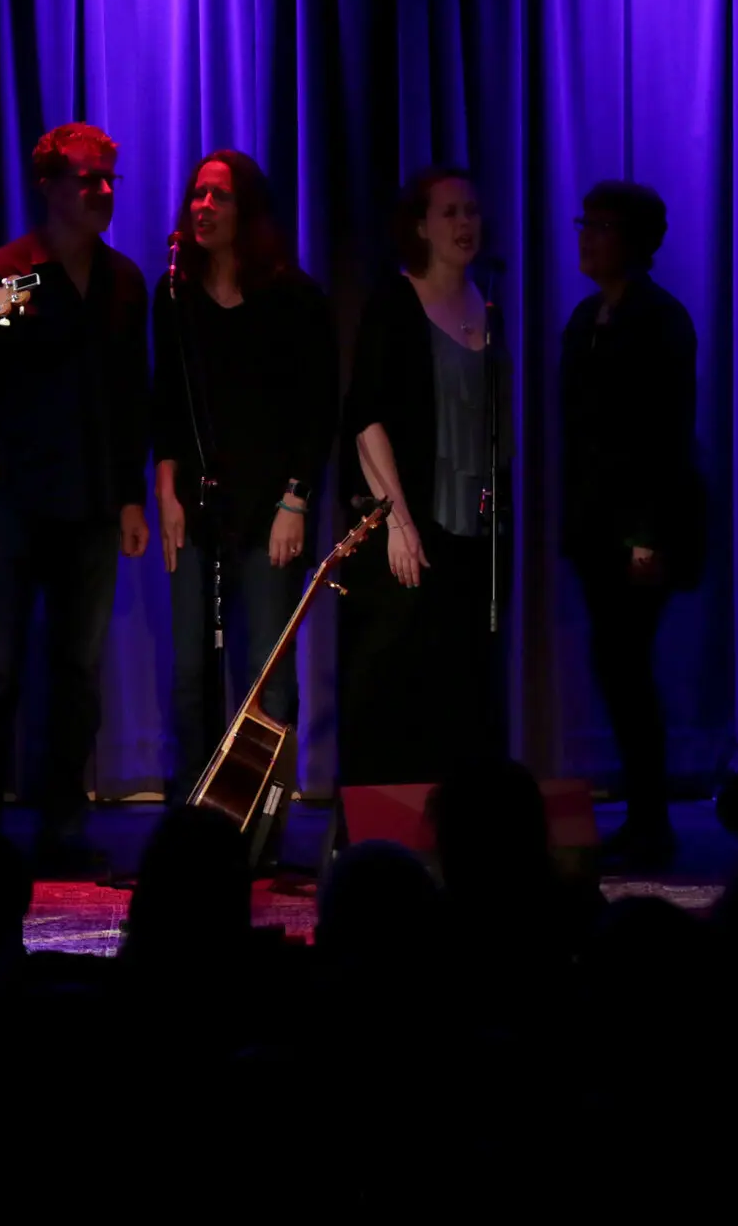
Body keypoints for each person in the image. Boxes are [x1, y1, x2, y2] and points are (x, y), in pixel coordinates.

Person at [0, 122, 151, 875]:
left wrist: (130, 497)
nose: (100, 191)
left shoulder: (125, 281)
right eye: (85, 178)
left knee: (78, 674)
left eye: (108, 179)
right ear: (48, 185)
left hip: (92, 503)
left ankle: (63, 827)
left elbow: (132, 396)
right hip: (11, 501)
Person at [152, 149, 339, 804]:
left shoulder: (292, 296)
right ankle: (193, 815)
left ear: (247, 209)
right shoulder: (175, 293)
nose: (203, 207)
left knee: (268, 675)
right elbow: (167, 404)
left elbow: (318, 409)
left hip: (271, 507)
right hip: (198, 503)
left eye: (220, 196)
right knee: (191, 670)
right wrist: (166, 492)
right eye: (197, 195)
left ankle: (261, 819)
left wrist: (296, 499)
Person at [338, 167, 512, 790]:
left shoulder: (488, 304)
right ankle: (380, 824)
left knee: (464, 684)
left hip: (477, 530)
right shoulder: (396, 302)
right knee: (394, 678)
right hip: (410, 525)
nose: (465, 224)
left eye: (472, 211)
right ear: (420, 227)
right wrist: (398, 523)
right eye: (449, 213)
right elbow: (365, 418)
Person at [560, 181, 701, 870]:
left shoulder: (661, 320)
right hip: (595, 525)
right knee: (616, 669)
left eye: (603, 226)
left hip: (642, 528)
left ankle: (652, 822)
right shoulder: (586, 317)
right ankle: (644, 819)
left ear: (637, 243)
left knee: (629, 670)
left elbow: (663, 436)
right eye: (585, 223)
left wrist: (648, 535)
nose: (587, 237)